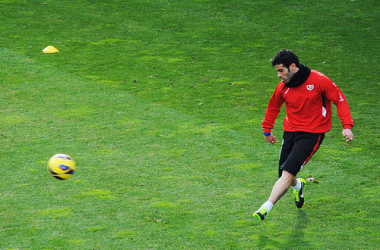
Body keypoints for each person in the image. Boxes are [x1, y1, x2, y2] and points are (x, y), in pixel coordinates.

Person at [253, 49, 354, 221]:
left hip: (312, 134)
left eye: (281, 71)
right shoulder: (284, 87)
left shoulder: (319, 81)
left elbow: (339, 99)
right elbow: (273, 106)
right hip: (290, 131)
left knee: (286, 173)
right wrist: (267, 130)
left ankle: (265, 207)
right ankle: (299, 185)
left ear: (293, 67)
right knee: (285, 176)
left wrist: (347, 125)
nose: (278, 75)